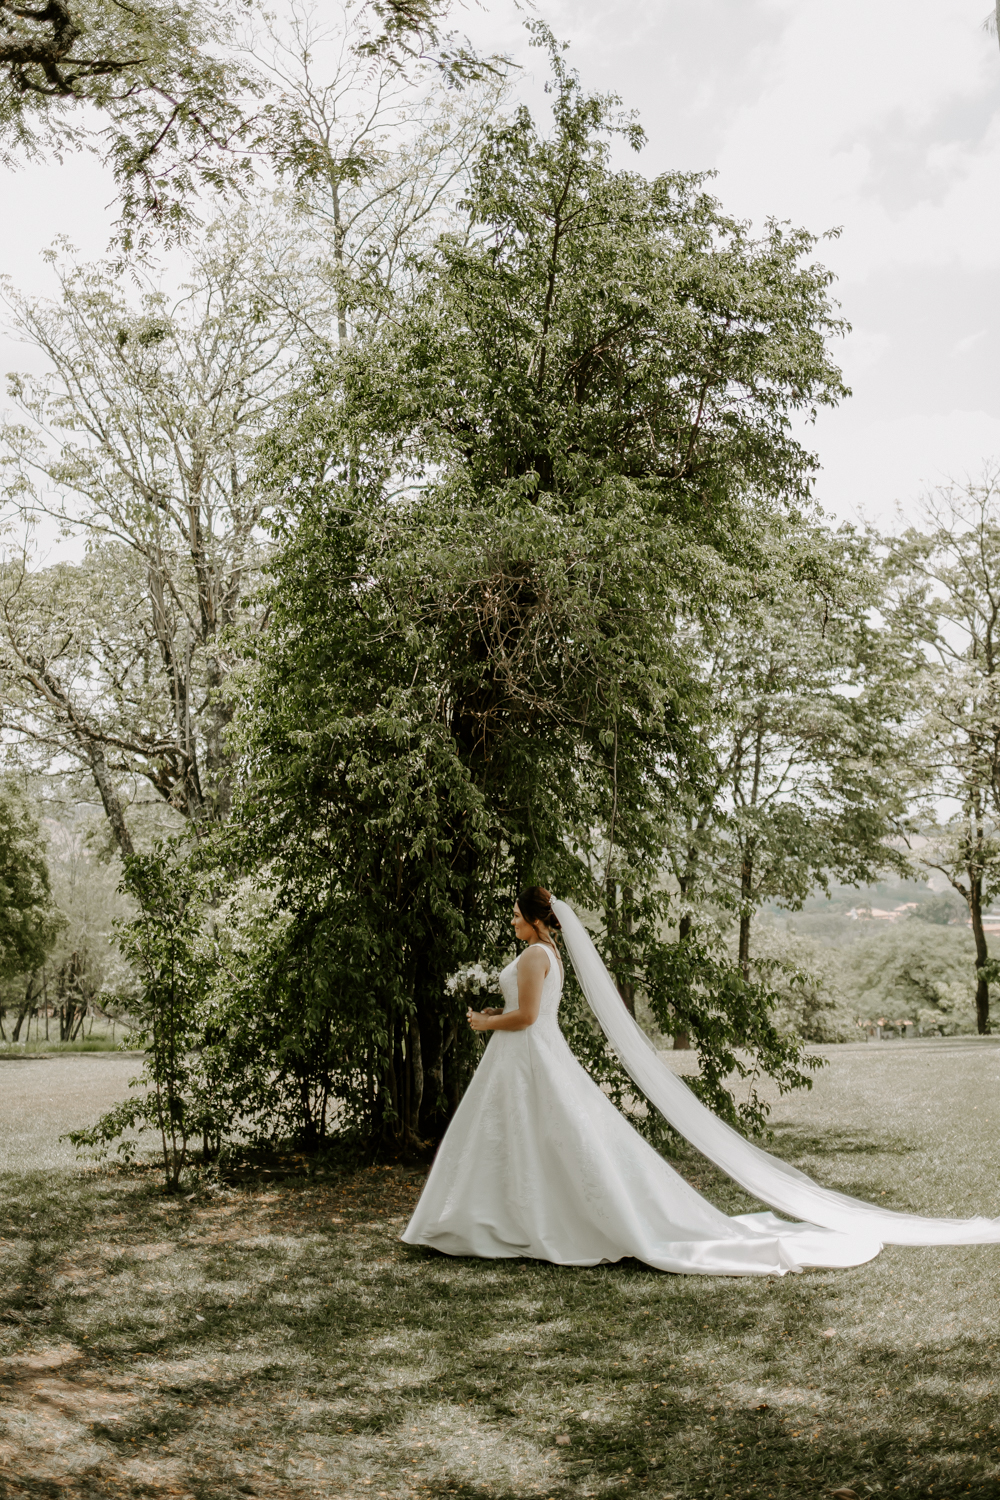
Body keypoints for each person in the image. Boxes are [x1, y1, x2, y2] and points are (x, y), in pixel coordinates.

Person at [403, 888, 1000, 1275]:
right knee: (534, 1140)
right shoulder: (546, 955)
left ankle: (511, 1221)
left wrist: (483, 1021)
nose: (511, 921)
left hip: (528, 1053)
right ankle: (504, 1219)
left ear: (537, 923)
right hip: (529, 1060)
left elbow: (529, 1017)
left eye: (515, 914)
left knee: (543, 1139)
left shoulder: (536, 957)